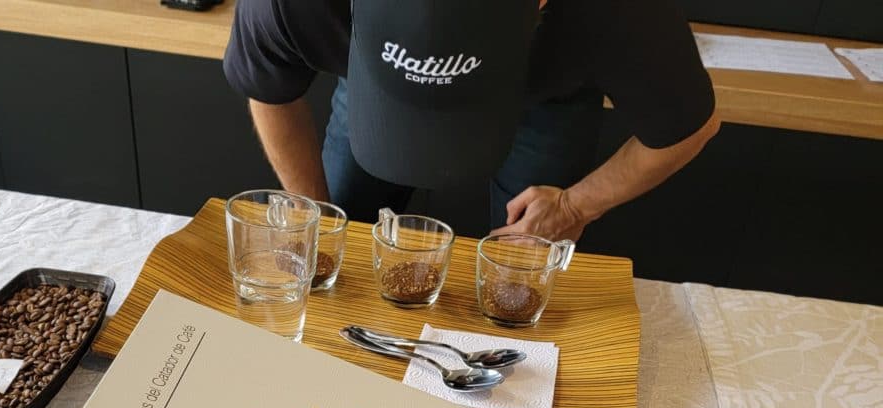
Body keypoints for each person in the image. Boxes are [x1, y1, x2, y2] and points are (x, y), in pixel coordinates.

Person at [224, 0, 720, 241]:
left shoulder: (617, 11)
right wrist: (312, 212)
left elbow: (689, 126)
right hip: (378, 77)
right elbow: (270, 88)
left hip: (546, 92)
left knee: (521, 266)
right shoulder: (293, 3)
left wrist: (573, 207)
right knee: (334, 234)